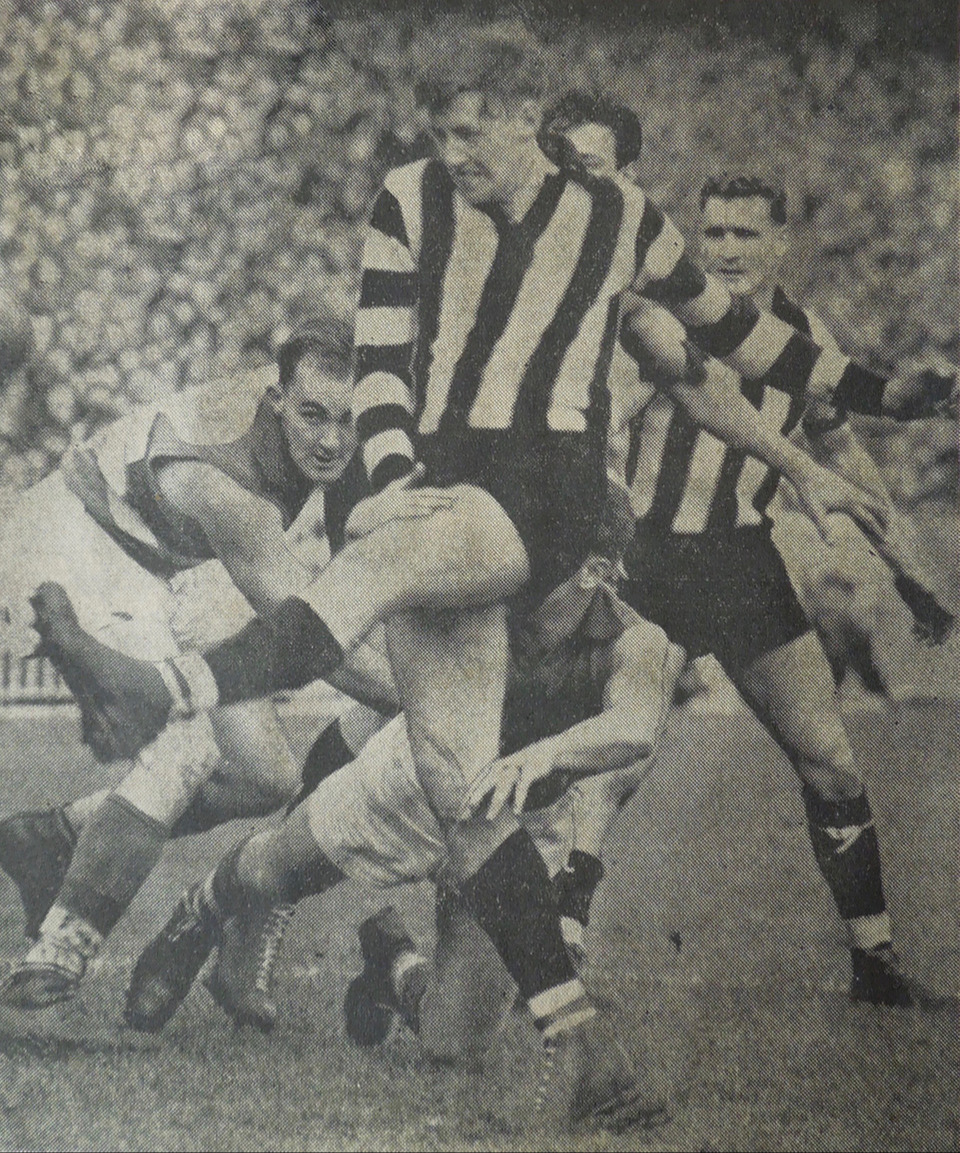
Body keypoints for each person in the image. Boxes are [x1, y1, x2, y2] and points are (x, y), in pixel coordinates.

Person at [11, 27, 916, 1133]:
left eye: (469, 129)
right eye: (437, 130)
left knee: (379, 564)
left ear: (528, 113)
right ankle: (584, 1046)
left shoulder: (619, 220)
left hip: (547, 494)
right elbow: (384, 355)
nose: (451, 150)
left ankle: (169, 688)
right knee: (457, 783)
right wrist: (392, 475)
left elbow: (746, 340)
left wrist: (896, 398)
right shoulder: (411, 200)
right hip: (440, 483)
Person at [122, 549, 687, 1061]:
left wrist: (541, 756)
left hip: (521, 823)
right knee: (277, 872)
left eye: (549, 541)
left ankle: (392, 961)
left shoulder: (639, 641)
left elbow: (636, 728)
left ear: (595, 571)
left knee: (452, 1046)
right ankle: (196, 916)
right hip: (418, 778)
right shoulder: (488, 581)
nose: (525, 553)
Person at [0, 320, 403, 1003]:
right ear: (276, 401)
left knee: (267, 773)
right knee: (184, 742)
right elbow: (314, 639)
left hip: (163, 560)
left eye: (348, 420)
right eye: (312, 416)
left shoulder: (292, 404)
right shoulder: (234, 498)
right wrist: (432, 700)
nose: (331, 439)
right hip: (76, 547)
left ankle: (54, 835)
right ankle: (64, 942)